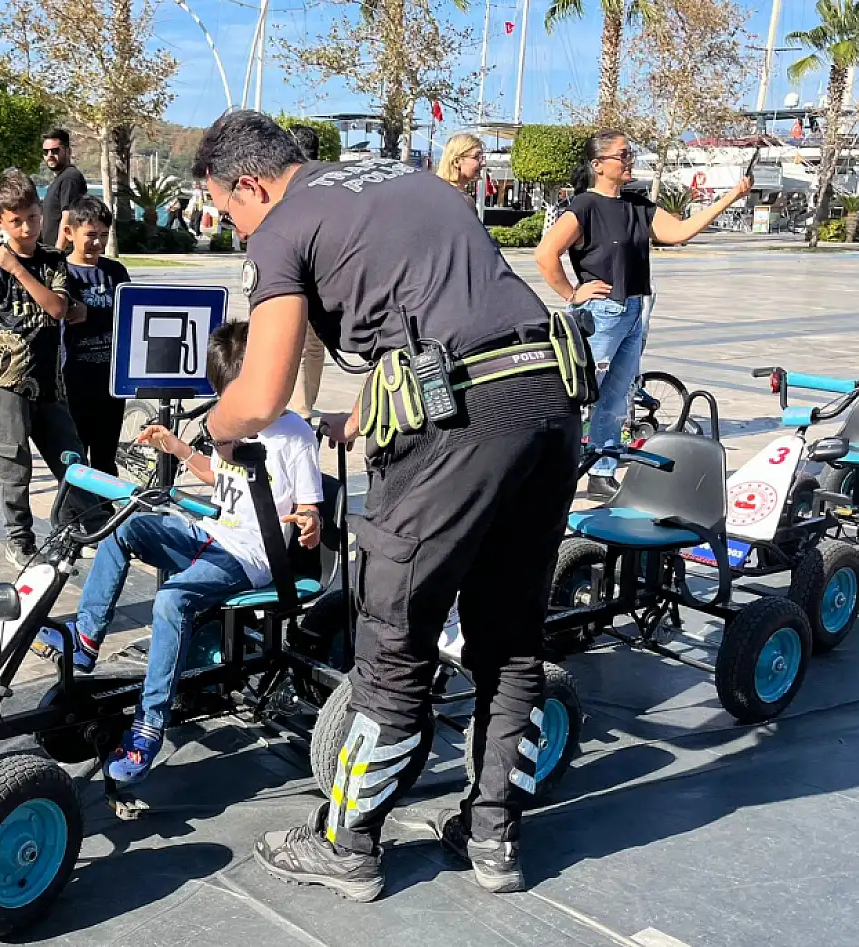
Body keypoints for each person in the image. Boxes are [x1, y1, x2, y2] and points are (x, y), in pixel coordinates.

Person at [192, 110, 584, 900]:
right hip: (551, 392)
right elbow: (440, 319)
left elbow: (261, 394)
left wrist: (215, 427)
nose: (228, 225)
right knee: (508, 638)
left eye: (225, 208)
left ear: (250, 182)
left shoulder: (281, 225)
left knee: (395, 637)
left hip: (466, 419)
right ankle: (494, 836)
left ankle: (348, 844)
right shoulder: (397, 176)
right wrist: (362, 417)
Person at [34, 321, 323, 784]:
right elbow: (223, 480)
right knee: (124, 525)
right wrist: (179, 449)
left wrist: (310, 522)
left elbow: (309, 506)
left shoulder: (293, 436)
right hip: (210, 532)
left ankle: (149, 726)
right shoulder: (234, 422)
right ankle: (87, 639)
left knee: (173, 600)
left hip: (251, 557)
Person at [534, 129, 751, 499]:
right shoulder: (585, 206)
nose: (629, 159)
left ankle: (602, 470)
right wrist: (572, 293)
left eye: (630, 153)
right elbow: (545, 254)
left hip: (635, 309)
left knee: (617, 398)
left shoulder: (637, 205)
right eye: (622, 154)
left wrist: (730, 197)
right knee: (580, 394)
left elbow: (680, 232)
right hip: (601, 314)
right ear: (598, 165)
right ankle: (552, 472)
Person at [0, 168, 91, 565]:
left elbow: (56, 308)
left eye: (33, 217)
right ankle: (19, 538)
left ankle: (77, 528)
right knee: (14, 465)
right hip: (5, 382)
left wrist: (19, 269)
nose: (27, 228)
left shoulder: (52, 261)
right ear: (1, 221)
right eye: (16, 221)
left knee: (71, 457)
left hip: (48, 383)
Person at [60, 196, 132, 475]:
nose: (97, 243)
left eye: (103, 235)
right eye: (90, 235)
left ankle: (105, 513)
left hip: (110, 380)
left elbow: (129, 315)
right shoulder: (62, 272)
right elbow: (63, 312)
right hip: (74, 378)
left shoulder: (115, 272)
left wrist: (90, 313)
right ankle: (74, 512)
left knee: (105, 457)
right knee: (75, 456)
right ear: (70, 232)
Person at [285, 124, 328, 419]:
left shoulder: (290, 181)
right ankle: (306, 403)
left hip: (297, 269)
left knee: (298, 343)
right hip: (325, 271)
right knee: (313, 345)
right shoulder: (325, 178)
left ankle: (300, 408)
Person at [40, 129, 89, 250]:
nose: (50, 155)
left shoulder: (70, 177)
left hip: (65, 255)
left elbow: (68, 215)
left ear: (68, 151)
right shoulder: (60, 178)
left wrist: (58, 252)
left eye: (55, 150)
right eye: (45, 152)